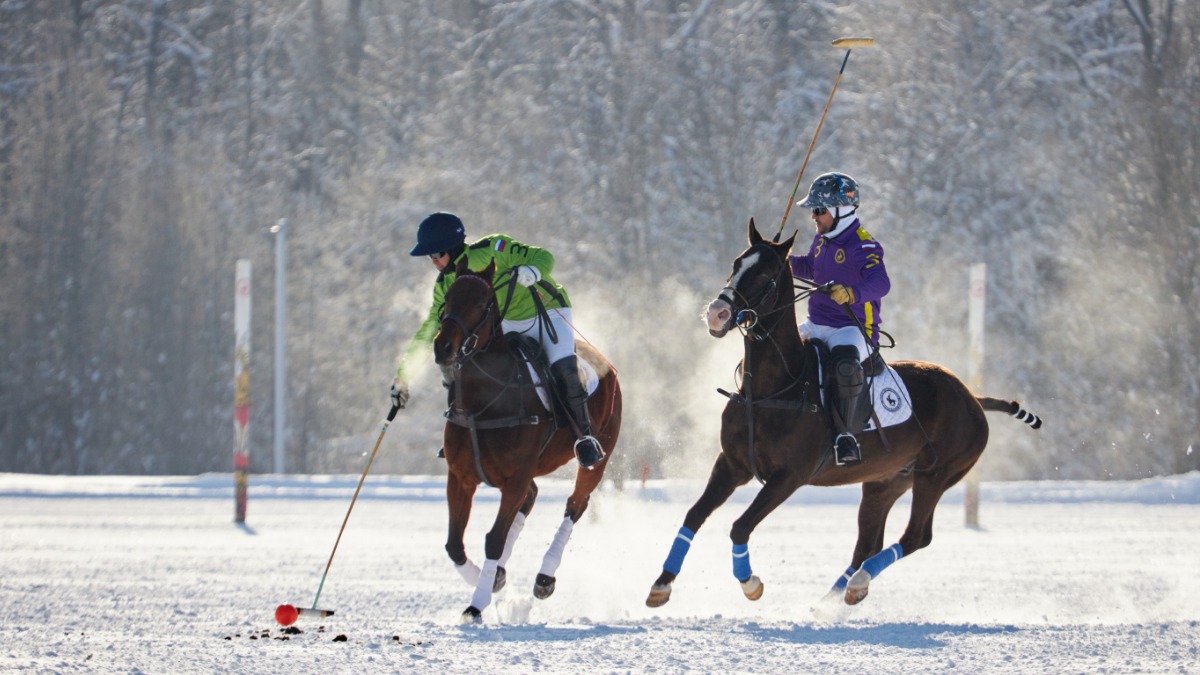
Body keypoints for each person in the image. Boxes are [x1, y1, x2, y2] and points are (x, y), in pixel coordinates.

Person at [389, 212, 604, 469]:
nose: (433, 261)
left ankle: (584, 438)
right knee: (469, 366)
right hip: (507, 322)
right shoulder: (445, 285)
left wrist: (533, 270)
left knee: (563, 368)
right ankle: (466, 431)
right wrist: (403, 377)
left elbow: (544, 256)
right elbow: (430, 330)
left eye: (437, 254)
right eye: (429, 256)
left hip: (546, 313)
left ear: (453, 247)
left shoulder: (494, 248)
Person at [787, 172, 890, 466]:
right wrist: (781, 260)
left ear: (841, 210)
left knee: (844, 365)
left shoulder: (864, 245)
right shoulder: (822, 240)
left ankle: (846, 437)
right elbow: (811, 267)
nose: (814, 217)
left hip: (853, 328)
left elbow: (881, 283)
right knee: (781, 350)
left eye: (819, 210)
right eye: (813, 210)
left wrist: (852, 293)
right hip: (817, 324)